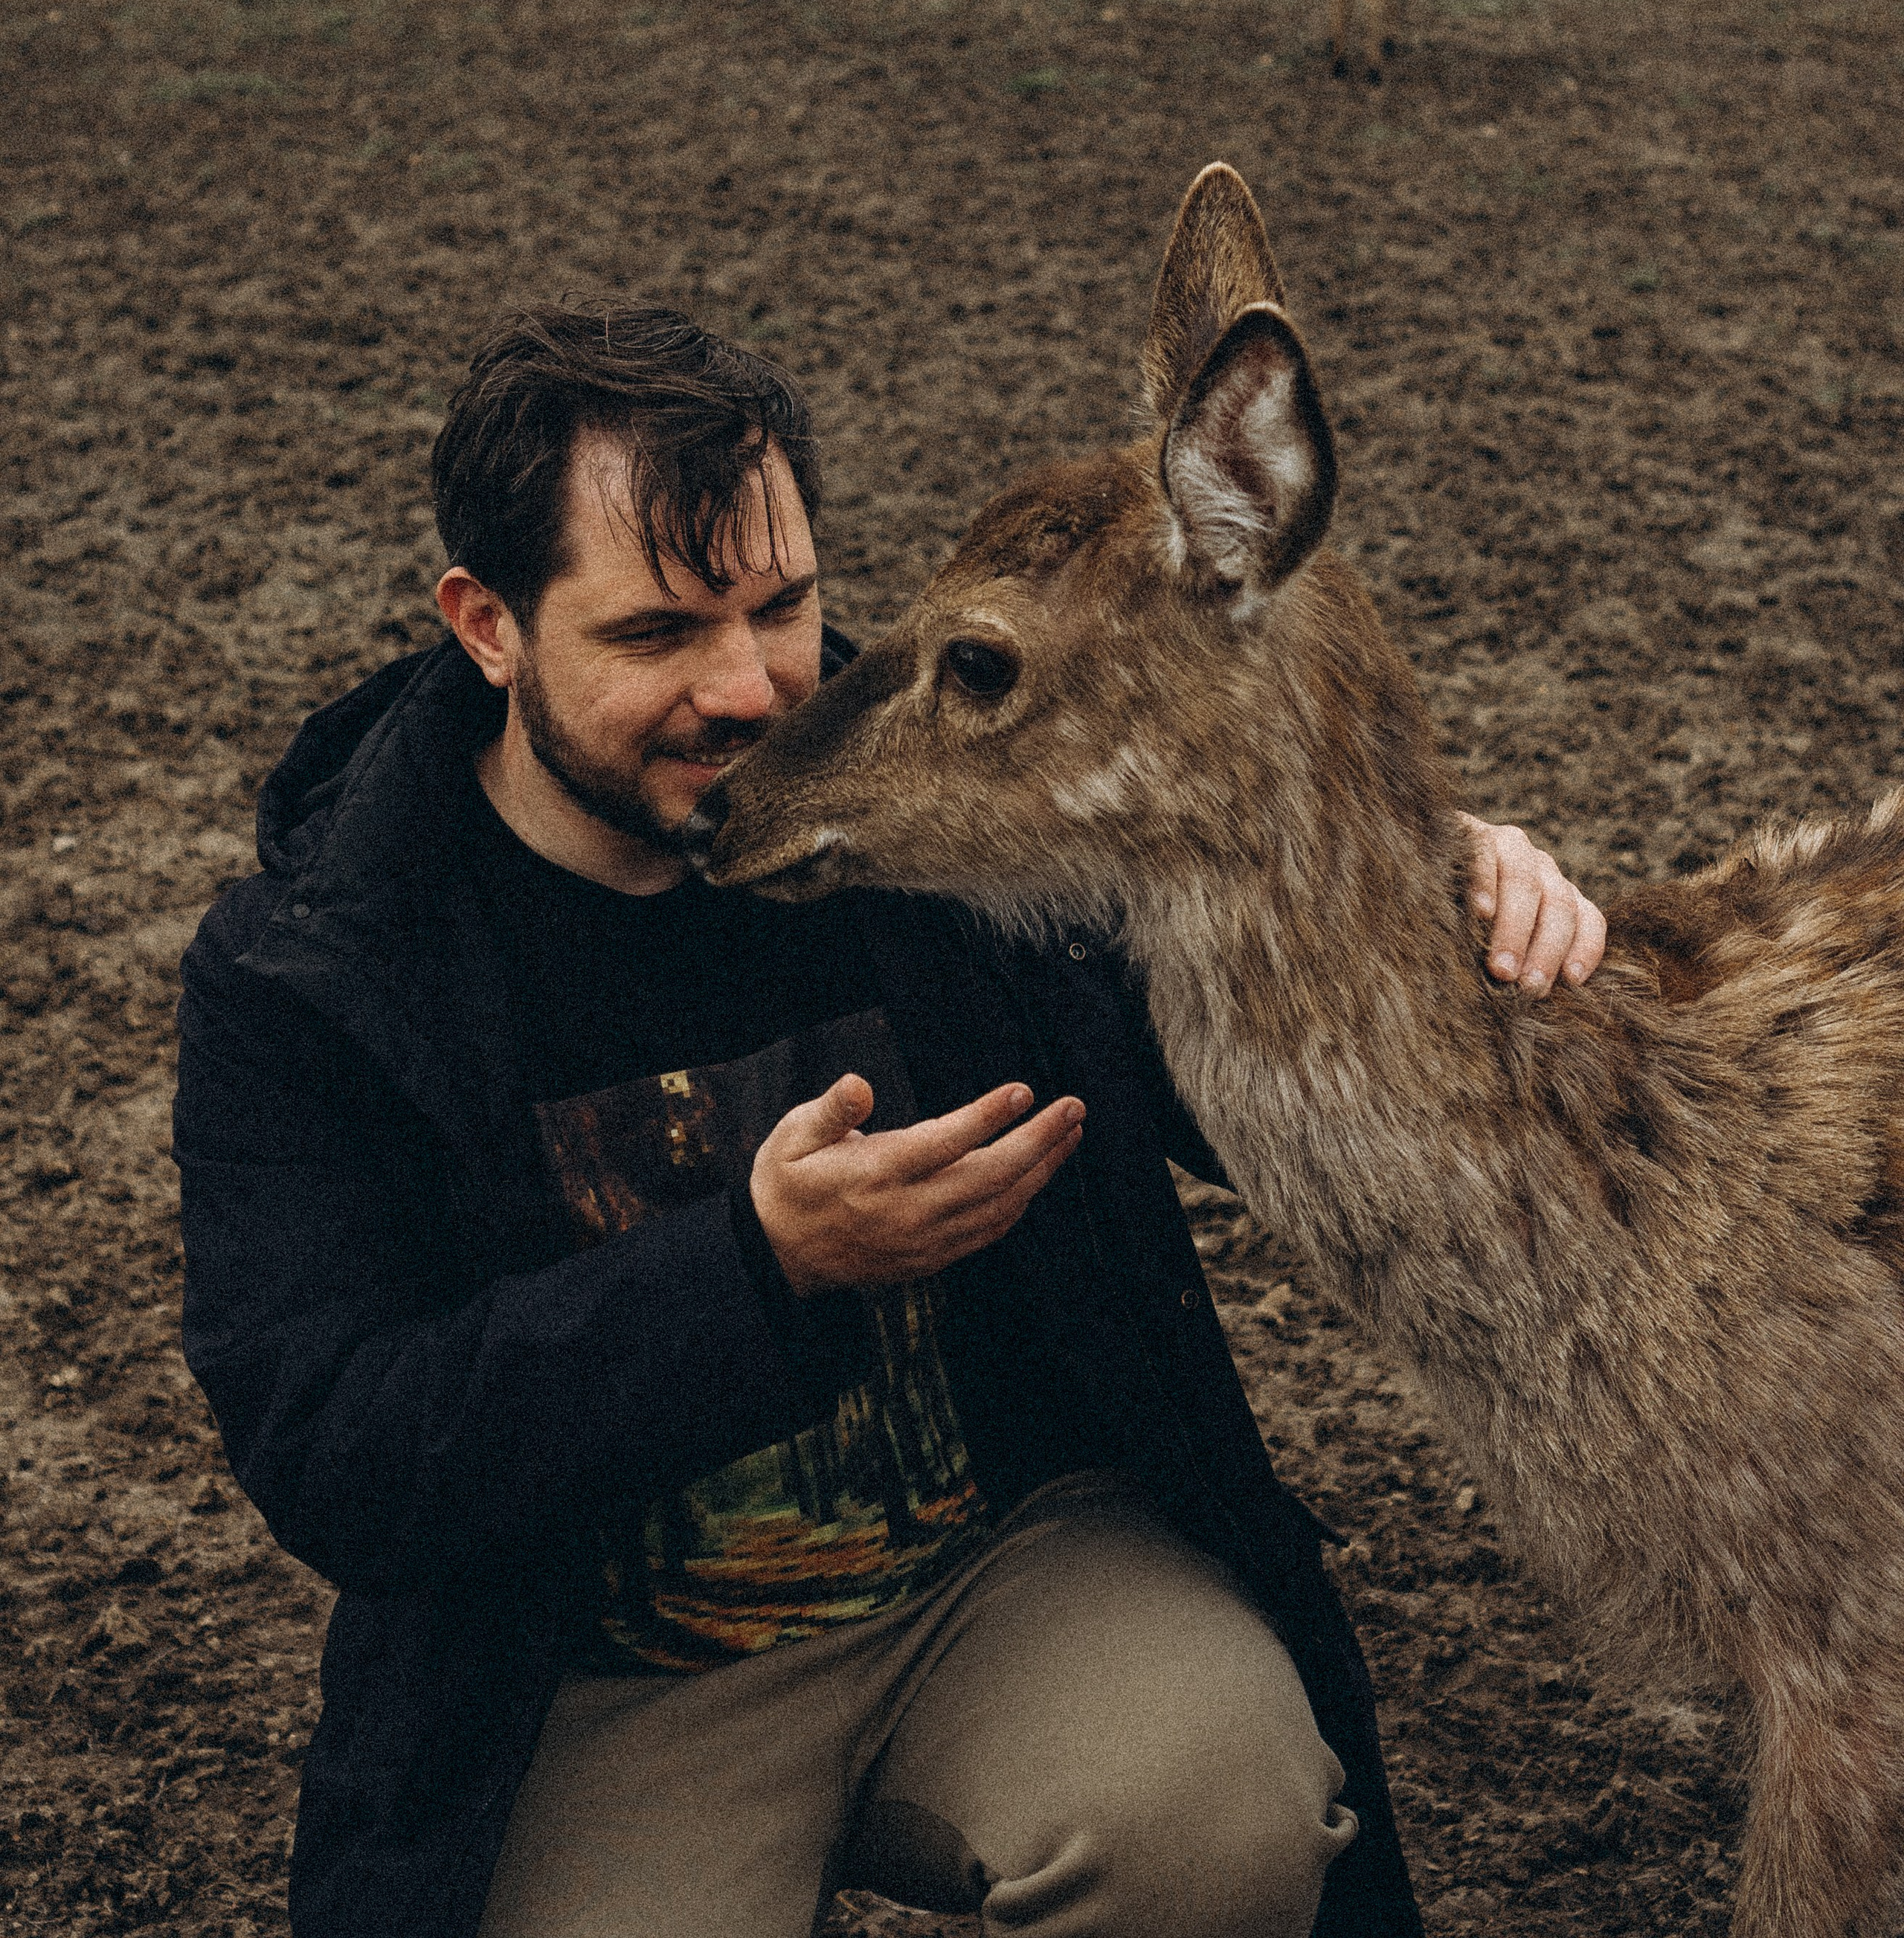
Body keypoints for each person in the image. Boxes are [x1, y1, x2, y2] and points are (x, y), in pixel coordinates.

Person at [175, 308, 1606, 1938]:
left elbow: (1260, 1022)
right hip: (601, 1673)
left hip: (999, 1580)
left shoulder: (954, 814)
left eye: (780, 607)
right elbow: (338, 1449)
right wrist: (757, 1272)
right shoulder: (316, 976)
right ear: (486, 626)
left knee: (1222, 1825)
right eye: (656, 635)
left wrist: (1436, 891)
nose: (751, 689)